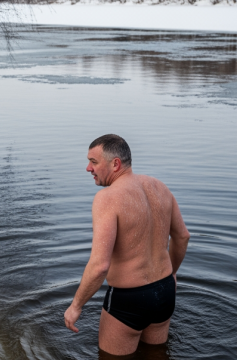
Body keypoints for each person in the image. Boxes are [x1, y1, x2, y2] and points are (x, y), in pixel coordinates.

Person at [64, 134, 190, 356]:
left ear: (115, 164)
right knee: (157, 355)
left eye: (93, 162)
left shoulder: (107, 198)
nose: (87, 168)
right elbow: (182, 237)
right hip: (165, 291)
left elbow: (100, 265)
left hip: (129, 301)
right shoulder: (159, 187)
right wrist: (171, 274)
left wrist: (76, 306)